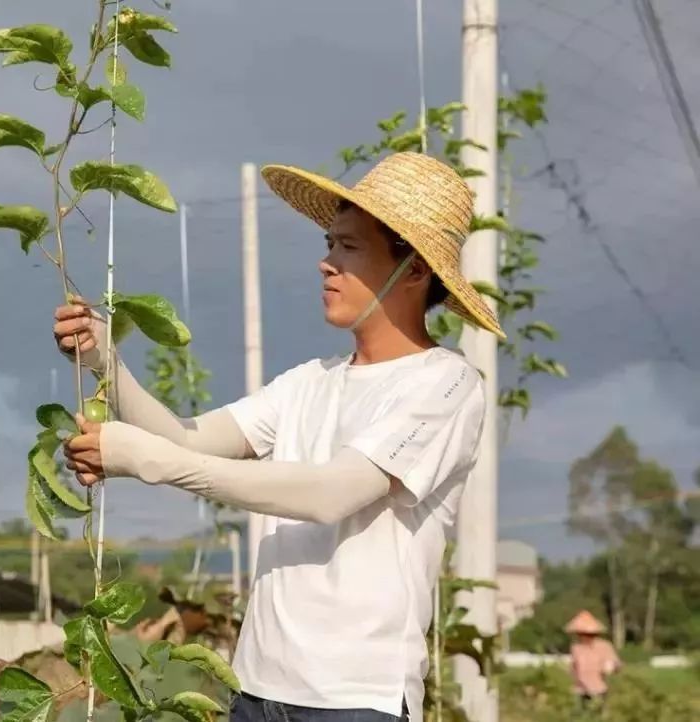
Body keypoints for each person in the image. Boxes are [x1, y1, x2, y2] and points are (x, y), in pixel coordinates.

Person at [53, 152, 504, 722]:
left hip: (354, 701)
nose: (326, 263)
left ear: (413, 270)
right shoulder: (308, 383)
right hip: (257, 691)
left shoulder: (445, 384)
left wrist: (152, 462)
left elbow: (331, 493)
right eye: (329, 244)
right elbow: (188, 438)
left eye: (349, 248)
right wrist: (105, 362)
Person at [566, 610, 620, 712]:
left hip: (599, 689)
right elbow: (573, 668)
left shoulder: (604, 646)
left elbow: (616, 665)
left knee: (599, 714)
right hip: (581, 691)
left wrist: (612, 667)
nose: (583, 636)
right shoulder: (576, 648)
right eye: (581, 634)